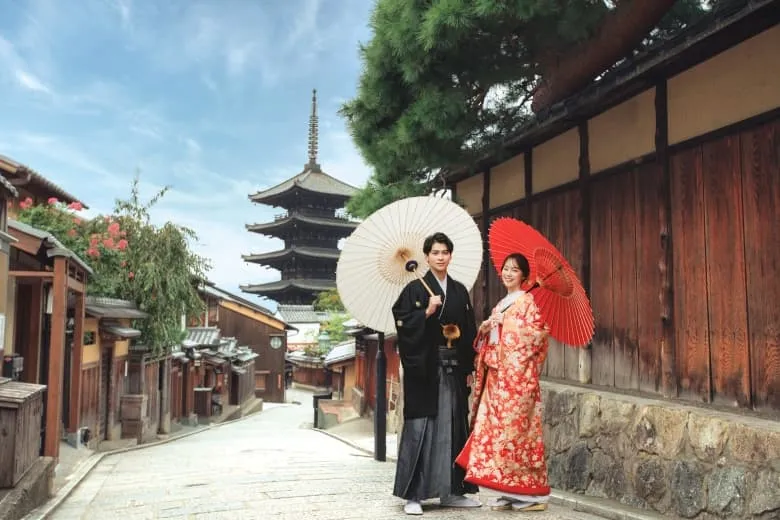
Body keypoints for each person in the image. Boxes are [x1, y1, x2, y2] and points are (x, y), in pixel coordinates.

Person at [391, 232, 482, 515]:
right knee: (422, 428)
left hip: (454, 369)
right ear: (427, 257)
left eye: (445, 252)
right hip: (426, 369)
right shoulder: (414, 290)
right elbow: (402, 323)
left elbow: (468, 331)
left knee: (454, 426)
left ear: (450, 256)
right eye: (435, 253)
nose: (441, 257)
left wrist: (469, 367)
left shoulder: (458, 291)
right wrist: (426, 313)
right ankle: (413, 495)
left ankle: (452, 492)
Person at [454, 253, 551, 512]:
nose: (508, 273)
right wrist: (485, 330)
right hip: (497, 378)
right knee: (498, 434)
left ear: (524, 276)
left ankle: (530, 494)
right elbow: (490, 342)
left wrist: (506, 324)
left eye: (515, 270)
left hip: (517, 381)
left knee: (517, 435)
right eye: (506, 269)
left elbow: (538, 336)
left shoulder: (528, 302)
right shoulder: (501, 304)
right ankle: (508, 489)